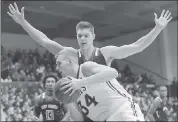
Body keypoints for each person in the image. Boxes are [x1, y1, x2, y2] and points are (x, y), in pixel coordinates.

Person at [7, 2, 172, 68]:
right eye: (79, 36)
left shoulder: (106, 53)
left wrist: (157, 29)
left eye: (86, 35)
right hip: (85, 105)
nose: (82, 38)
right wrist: (23, 22)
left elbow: (138, 46)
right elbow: (44, 40)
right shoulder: (71, 54)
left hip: (106, 104)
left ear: (93, 36)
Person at [55, 48, 145, 121]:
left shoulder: (85, 68)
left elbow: (113, 73)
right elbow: (79, 119)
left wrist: (81, 82)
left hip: (122, 110)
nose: (57, 68)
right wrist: (67, 101)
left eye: (59, 63)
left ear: (70, 61)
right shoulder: (70, 89)